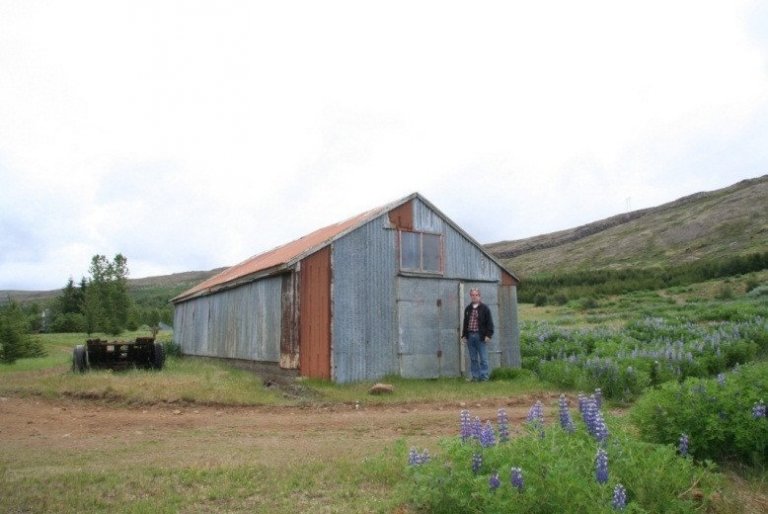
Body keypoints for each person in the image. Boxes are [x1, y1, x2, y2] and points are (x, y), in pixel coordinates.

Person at [461, 288, 494, 382]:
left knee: (483, 359)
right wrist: (464, 335)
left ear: (479, 296)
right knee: (473, 358)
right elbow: (465, 323)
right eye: (472, 295)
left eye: (476, 295)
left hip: (480, 336)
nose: (474, 297)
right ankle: (475, 377)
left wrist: (488, 335)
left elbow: (490, 323)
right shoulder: (468, 309)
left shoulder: (485, 308)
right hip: (470, 336)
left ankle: (484, 378)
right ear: (470, 296)